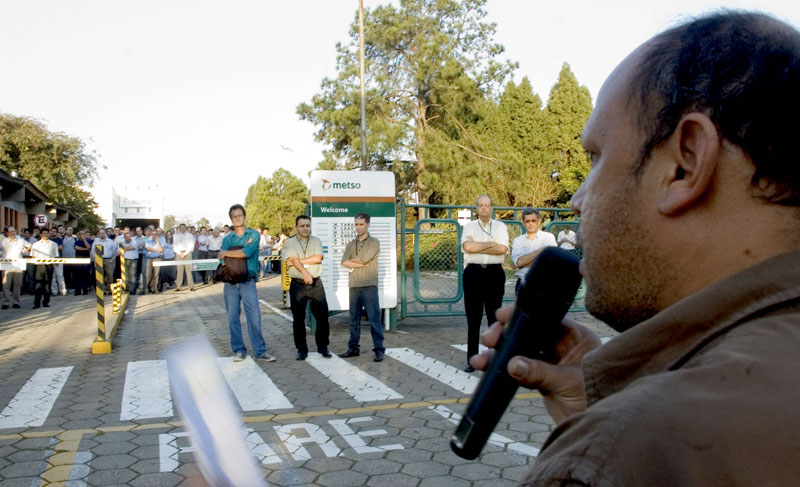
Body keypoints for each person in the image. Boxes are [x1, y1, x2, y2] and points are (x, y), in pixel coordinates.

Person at [472, 11, 800, 485]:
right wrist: (607, 407)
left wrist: (614, 437)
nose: (578, 199)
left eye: (596, 157)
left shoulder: (613, 459)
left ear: (685, 164)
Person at [218, 204, 275, 363]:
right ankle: (239, 350)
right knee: (232, 318)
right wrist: (234, 253)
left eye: (240, 215)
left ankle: (260, 351)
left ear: (244, 216)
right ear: (231, 219)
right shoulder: (227, 238)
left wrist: (229, 253)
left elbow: (246, 253)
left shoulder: (254, 235)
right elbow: (221, 258)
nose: (237, 218)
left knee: (254, 317)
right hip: (230, 283)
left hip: (248, 282)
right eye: (234, 216)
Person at [461, 195, 509, 372]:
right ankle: (472, 360)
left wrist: (478, 244)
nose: (484, 208)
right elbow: (468, 247)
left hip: (494, 274)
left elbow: (502, 249)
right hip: (473, 273)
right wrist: (490, 243)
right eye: (481, 205)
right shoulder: (469, 226)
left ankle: (494, 359)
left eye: (487, 205)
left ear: (491, 208)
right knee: (473, 320)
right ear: (477, 208)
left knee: (494, 318)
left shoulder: (500, 226)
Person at [283, 215, 331, 361]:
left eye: (307, 226)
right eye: (302, 226)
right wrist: (304, 272)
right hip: (298, 284)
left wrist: (297, 262)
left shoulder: (316, 240)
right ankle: (301, 350)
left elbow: (318, 258)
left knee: (322, 317)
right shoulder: (290, 242)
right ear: (296, 227)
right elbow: (292, 259)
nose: (305, 228)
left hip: (316, 283)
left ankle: (323, 347)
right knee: (298, 319)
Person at [339, 212, 385, 362]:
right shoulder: (351, 244)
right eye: (356, 224)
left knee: (374, 319)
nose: (358, 227)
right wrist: (360, 262)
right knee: (353, 319)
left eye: (361, 224)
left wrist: (359, 261)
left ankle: (379, 349)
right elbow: (344, 262)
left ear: (368, 225)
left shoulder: (374, 242)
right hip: (354, 286)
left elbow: (364, 259)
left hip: (369, 286)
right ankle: (353, 348)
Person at [510, 208, 556, 295]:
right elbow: (519, 262)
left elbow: (551, 261)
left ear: (539, 221)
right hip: (523, 282)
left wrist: (524, 263)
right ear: (523, 222)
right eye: (527, 221)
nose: (530, 223)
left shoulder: (548, 237)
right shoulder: (518, 241)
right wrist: (542, 250)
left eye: (533, 220)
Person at [1, 226, 31, 309]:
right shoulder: (3, 241)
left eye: (13, 231)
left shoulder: (20, 241)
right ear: (7, 233)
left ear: (16, 231)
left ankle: (16, 302)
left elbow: (30, 245)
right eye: (10, 232)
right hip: (7, 265)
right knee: (6, 285)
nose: (12, 233)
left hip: (18, 264)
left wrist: (26, 249)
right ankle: (5, 302)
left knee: (17, 284)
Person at [30, 228, 58, 308]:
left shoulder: (53, 244)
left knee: (47, 285)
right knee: (38, 285)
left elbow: (56, 256)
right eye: (44, 233)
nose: (45, 235)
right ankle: (37, 303)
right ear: (41, 234)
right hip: (39, 266)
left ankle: (46, 302)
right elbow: (33, 256)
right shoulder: (36, 244)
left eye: (47, 233)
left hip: (49, 266)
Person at [90, 229, 116, 295]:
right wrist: (95, 259)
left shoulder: (110, 241)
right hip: (99, 260)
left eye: (103, 233)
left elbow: (114, 251)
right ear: (99, 234)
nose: (102, 234)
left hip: (108, 260)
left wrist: (112, 259)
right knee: (100, 275)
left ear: (106, 233)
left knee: (109, 275)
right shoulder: (96, 242)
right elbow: (92, 252)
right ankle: (102, 290)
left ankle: (109, 289)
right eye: (101, 233)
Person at [173, 223, 194, 292]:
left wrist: (185, 253)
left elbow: (191, 246)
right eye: (181, 227)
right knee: (179, 271)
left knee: (188, 271)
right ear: (179, 228)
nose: (182, 229)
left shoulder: (190, 235)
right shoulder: (175, 236)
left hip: (187, 253)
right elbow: (174, 246)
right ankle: (179, 286)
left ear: (186, 228)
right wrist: (180, 253)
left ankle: (191, 286)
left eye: (184, 227)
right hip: (179, 253)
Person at [143, 227, 163, 294]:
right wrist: (157, 250)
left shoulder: (160, 240)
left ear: (157, 235)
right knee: (148, 274)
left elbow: (161, 250)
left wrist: (157, 242)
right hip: (149, 259)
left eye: (155, 234)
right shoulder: (148, 240)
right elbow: (148, 249)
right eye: (153, 234)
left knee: (156, 274)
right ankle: (147, 288)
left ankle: (155, 288)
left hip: (157, 258)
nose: (154, 235)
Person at [73, 229, 93, 295]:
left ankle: (85, 290)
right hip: (78, 260)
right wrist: (86, 249)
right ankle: (77, 290)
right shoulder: (77, 241)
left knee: (86, 276)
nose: (81, 236)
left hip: (86, 261)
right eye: (80, 234)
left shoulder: (89, 241)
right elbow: (77, 247)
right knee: (77, 276)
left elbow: (89, 247)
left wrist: (84, 239)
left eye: (82, 234)